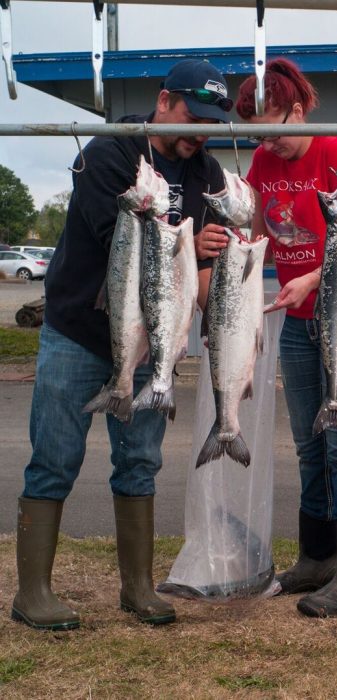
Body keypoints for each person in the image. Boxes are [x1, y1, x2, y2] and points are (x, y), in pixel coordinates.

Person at [12, 59, 233, 631]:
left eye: (210, 123)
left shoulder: (206, 171)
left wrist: (231, 318)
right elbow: (127, 256)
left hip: (153, 345)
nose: (199, 133)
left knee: (140, 462)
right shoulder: (109, 152)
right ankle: (32, 592)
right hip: (78, 335)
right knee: (54, 460)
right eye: (192, 116)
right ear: (163, 101)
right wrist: (189, 246)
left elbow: (197, 275)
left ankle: (137, 588)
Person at [235, 58, 337, 617]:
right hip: (298, 324)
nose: (266, 142)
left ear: (296, 111)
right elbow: (255, 237)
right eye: (257, 134)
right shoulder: (260, 161)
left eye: (272, 127)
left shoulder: (333, 151)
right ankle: (316, 556)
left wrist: (312, 276)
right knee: (309, 443)